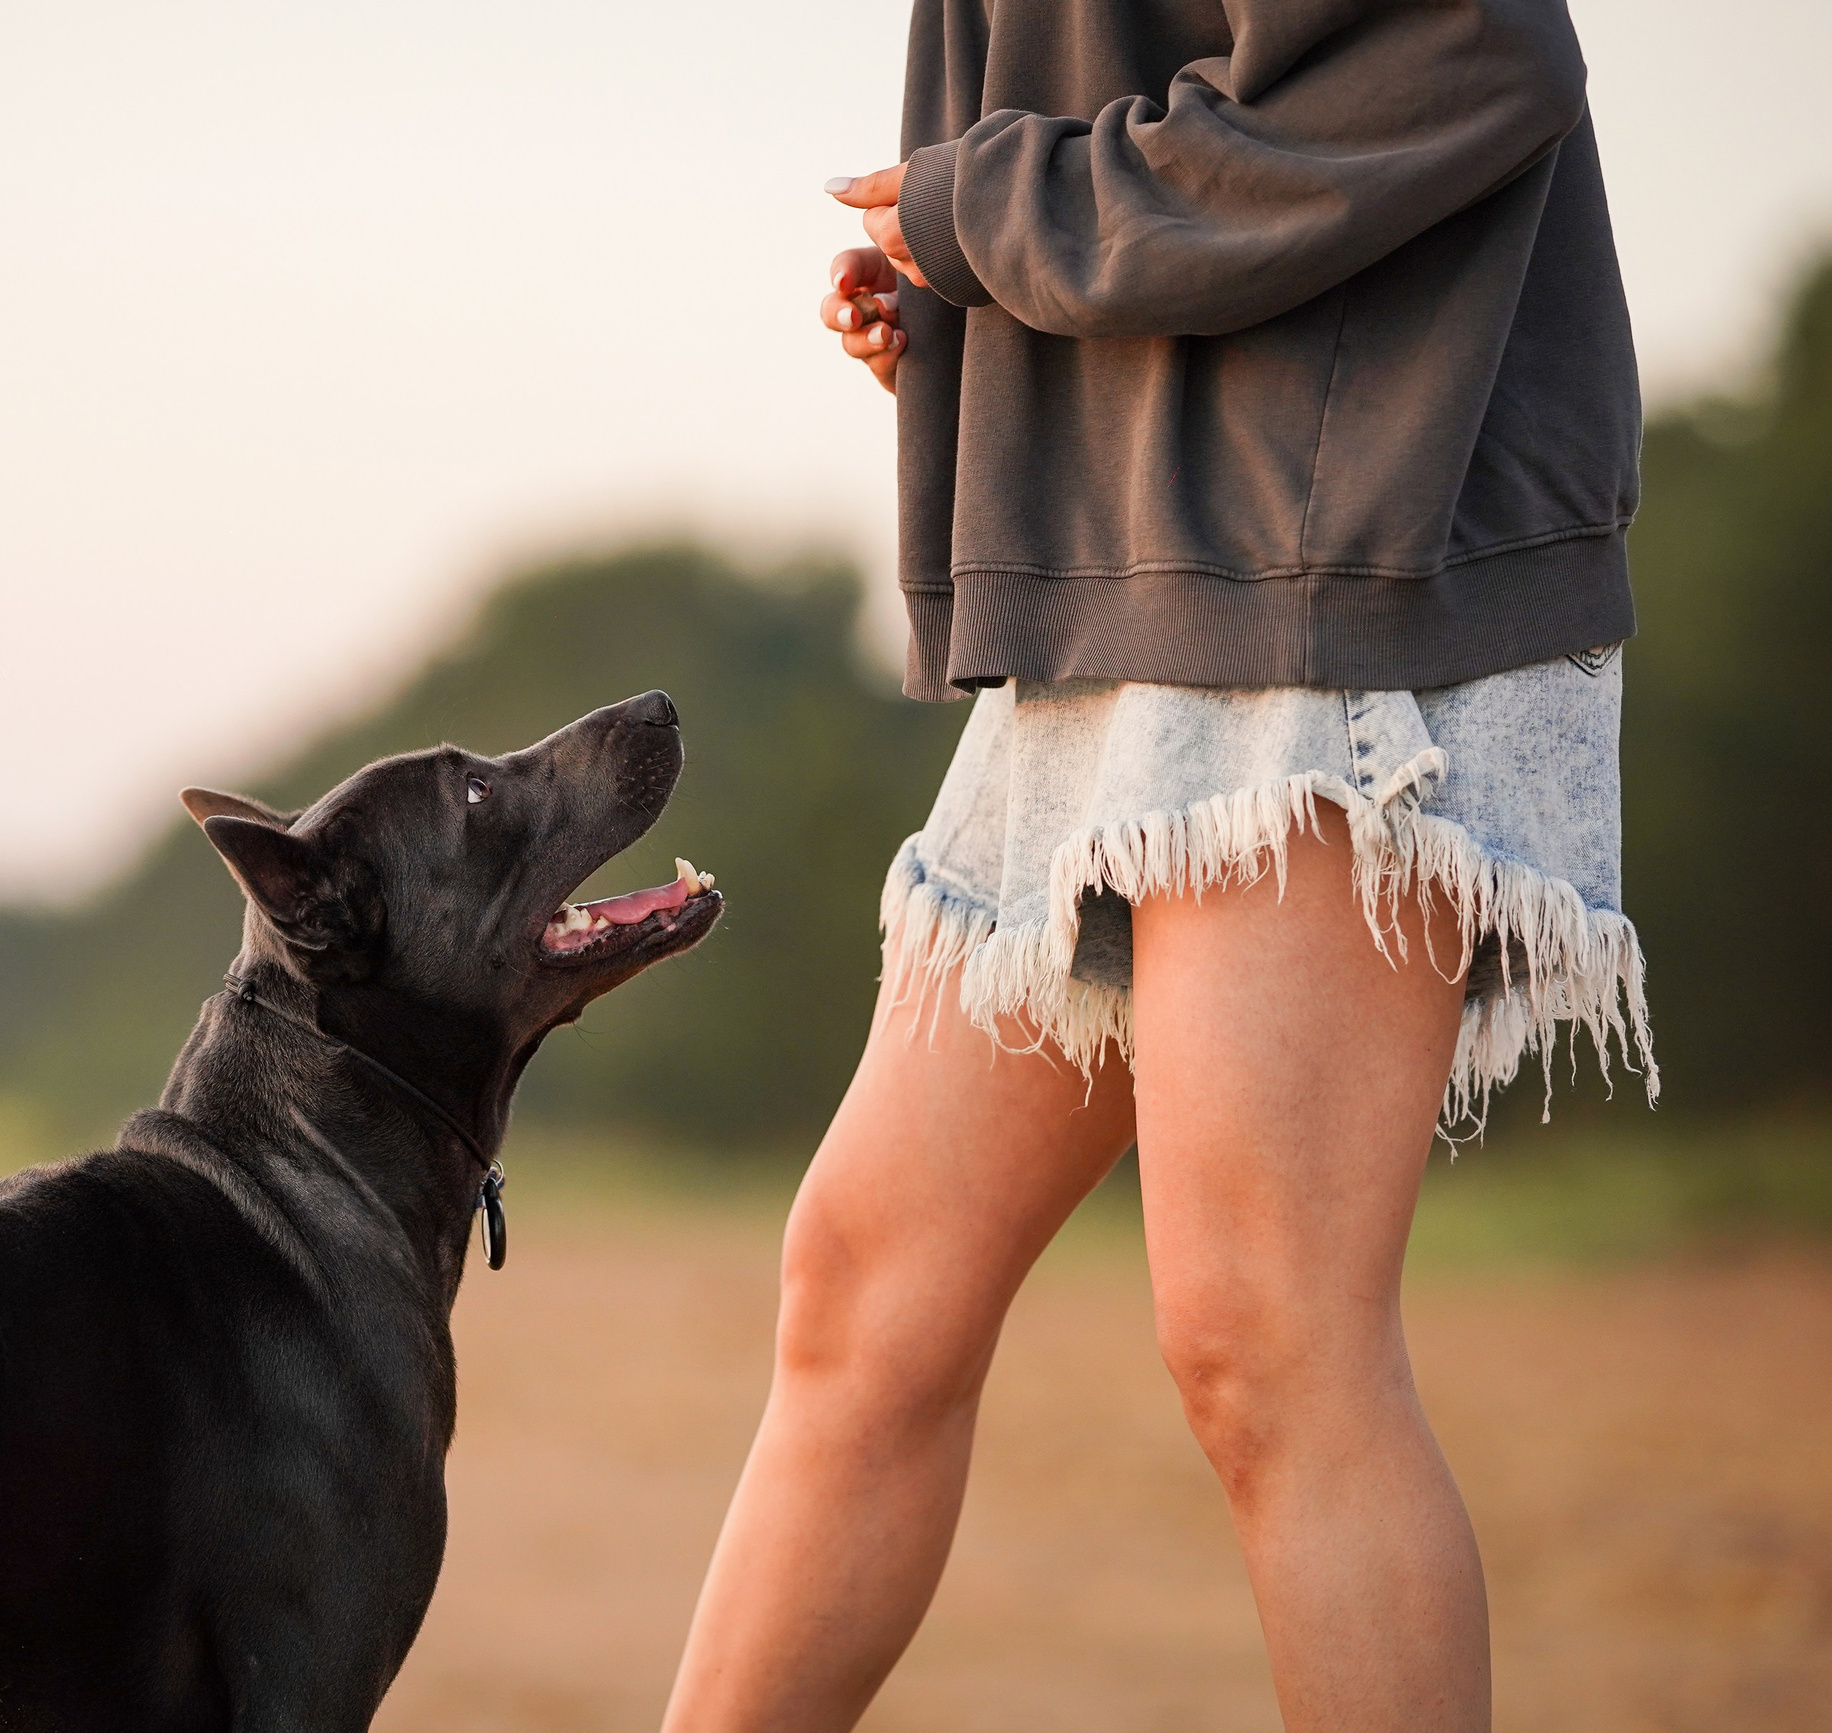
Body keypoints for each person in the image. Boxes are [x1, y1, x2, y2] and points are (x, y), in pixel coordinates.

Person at [660, 3, 1654, 1729]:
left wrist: (1006, 216)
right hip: (1138, 580)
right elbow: (1147, 174)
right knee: (863, 1291)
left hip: (1340, 572)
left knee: (1264, 1336)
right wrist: (1010, 337)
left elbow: (1471, 51)